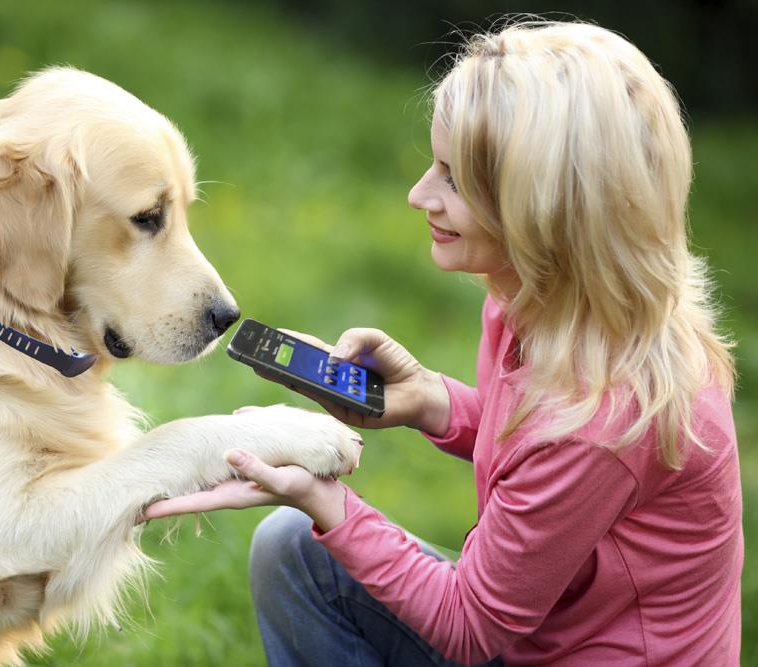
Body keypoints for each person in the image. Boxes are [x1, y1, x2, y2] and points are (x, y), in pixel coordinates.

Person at [143, 20, 743, 666]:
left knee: (303, 535)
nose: (418, 193)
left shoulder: (606, 417)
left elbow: (468, 625)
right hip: (545, 636)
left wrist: (324, 499)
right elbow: (539, 451)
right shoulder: (542, 305)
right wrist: (432, 401)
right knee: (294, 551)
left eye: (453, 180)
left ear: (543, 213)